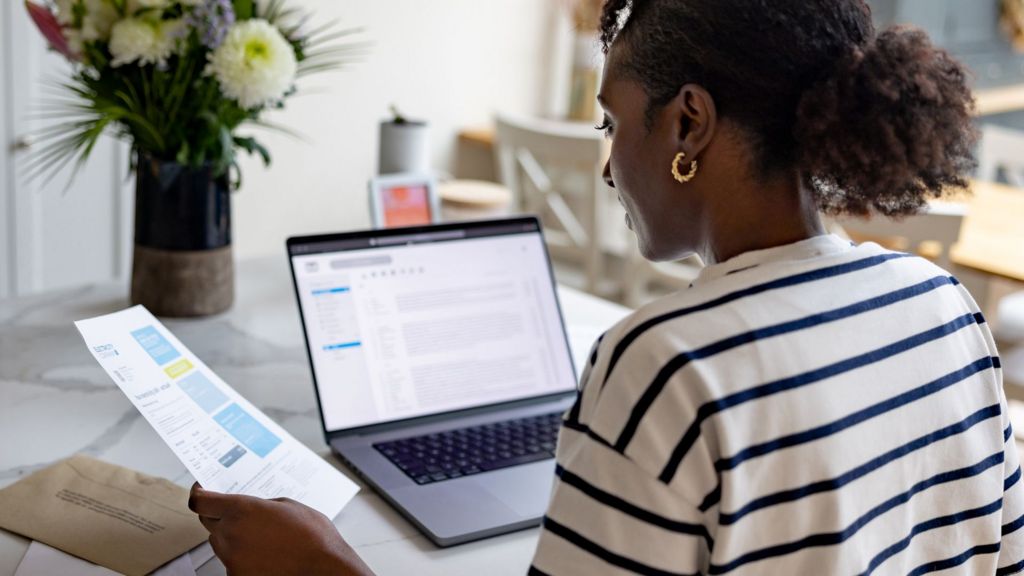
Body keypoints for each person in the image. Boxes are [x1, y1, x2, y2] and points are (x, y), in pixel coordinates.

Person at [188, 0, 1024, 573]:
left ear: (688, 122)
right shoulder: (942, 308)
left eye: (612, 123)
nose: (607, 163)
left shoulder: (666, 366)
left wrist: (325, 566)